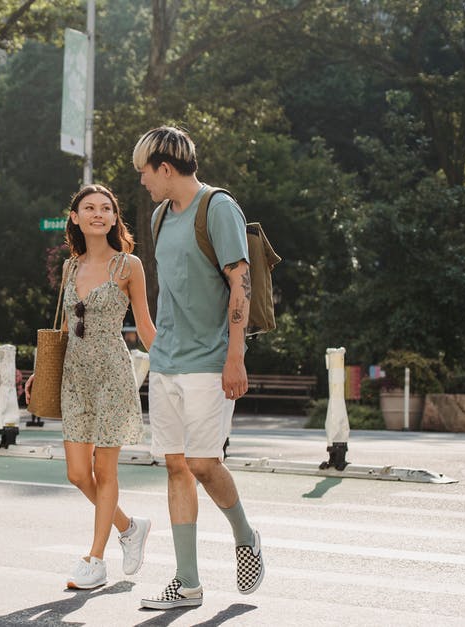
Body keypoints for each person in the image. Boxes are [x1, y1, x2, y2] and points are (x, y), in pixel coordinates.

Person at [131, 126, 265, 609]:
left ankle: (246, 535)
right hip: (167, 360)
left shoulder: (219, 208)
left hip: (210, 362)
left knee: (205, 464)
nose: (142, 181)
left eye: (145, 172)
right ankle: (187, 582)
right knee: (175, 467)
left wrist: (235, 356)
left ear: (165, 169)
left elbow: (241, 283)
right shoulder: (161, 215)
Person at [24, 183, 157, 590]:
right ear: (76, 218)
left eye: (106, 208)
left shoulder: (128, 266)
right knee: (78, 474)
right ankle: (130, 527)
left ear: (115, 218)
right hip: (74, 376)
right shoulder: (70, 267)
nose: (98, 214)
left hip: (112, 376)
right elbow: (65, 326)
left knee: (105, 469)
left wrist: (177, 366)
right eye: (89, 208)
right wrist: (40, 371)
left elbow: (147, 329)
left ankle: (95, 560)